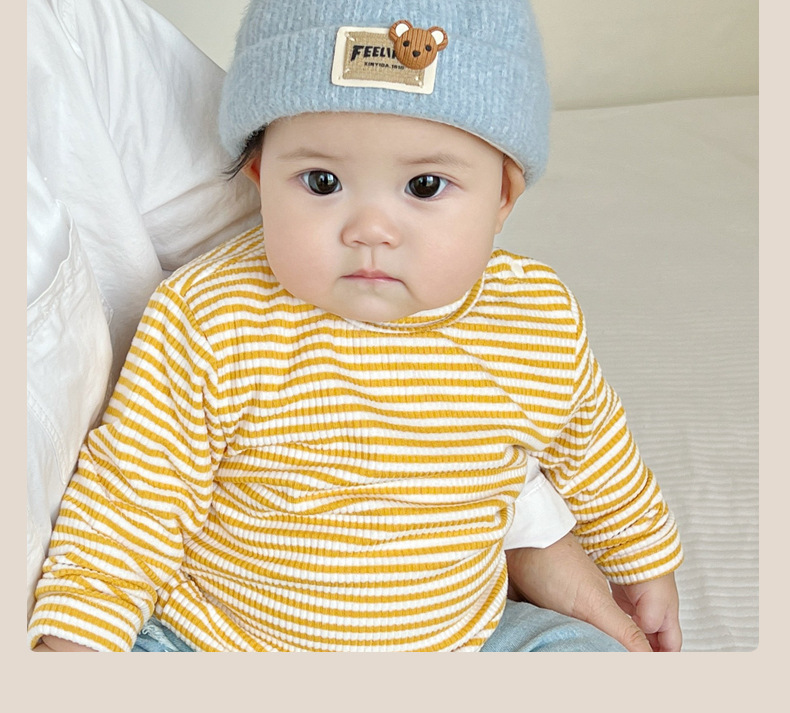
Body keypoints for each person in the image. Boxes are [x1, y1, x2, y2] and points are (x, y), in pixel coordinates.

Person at [28, 0, 682, 653]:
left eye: (424, 186)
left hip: (463, 640)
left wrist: (643, 560)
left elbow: (595, 452)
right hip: (223, 638)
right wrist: (82, 638)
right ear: (259, 178)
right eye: (322, 181)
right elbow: (133, 497)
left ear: (503, 198)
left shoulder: (534, 318)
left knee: (591, 657)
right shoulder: (211, 317)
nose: (370, 228)